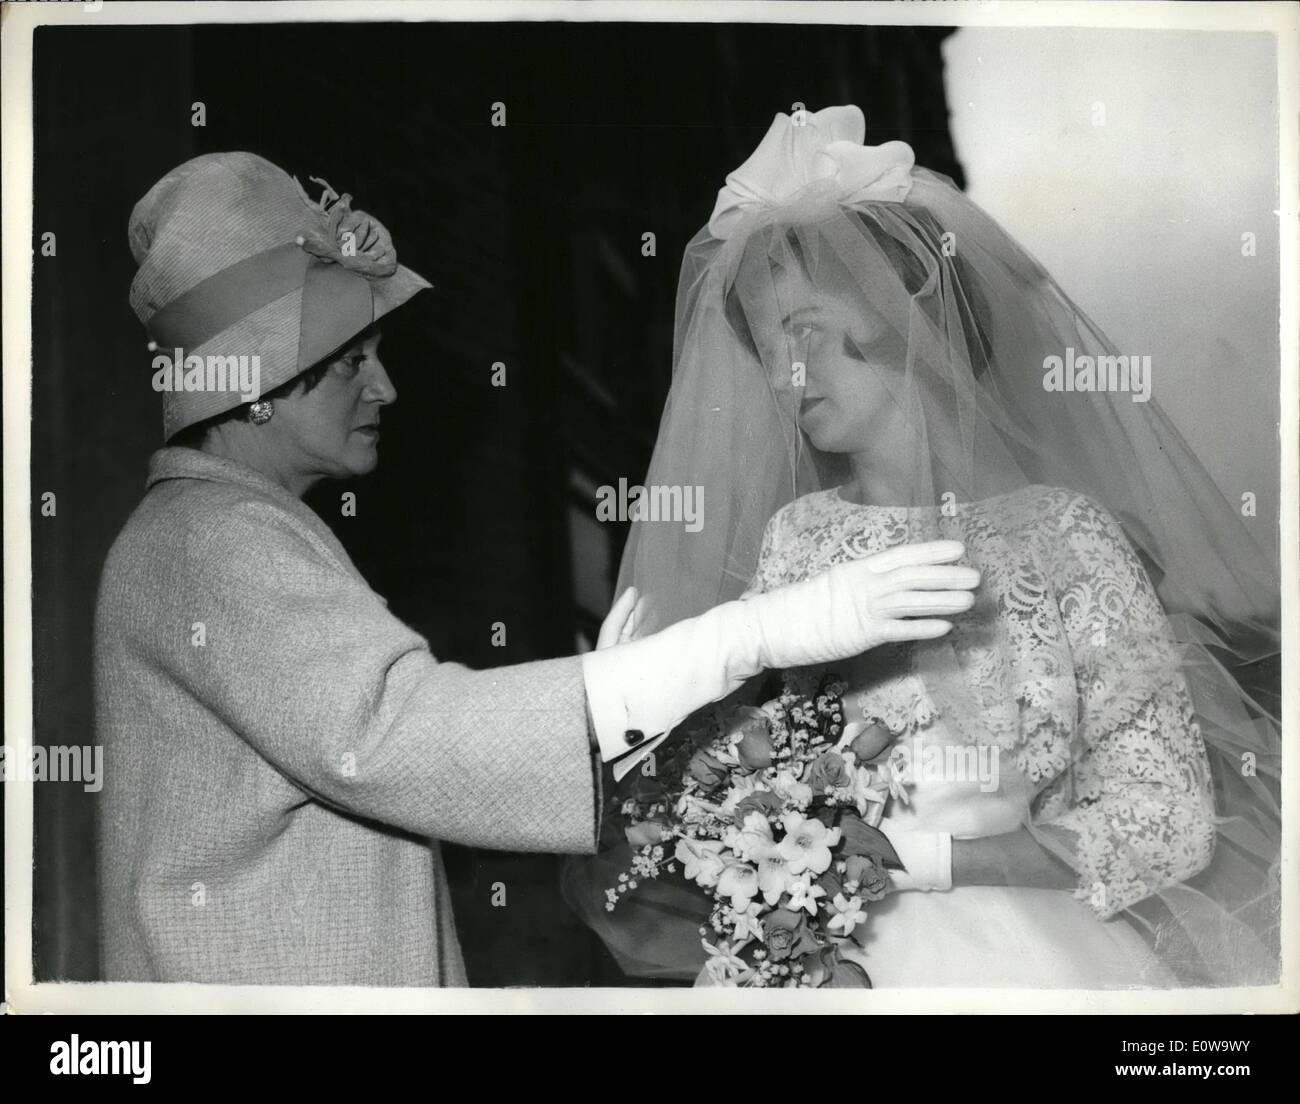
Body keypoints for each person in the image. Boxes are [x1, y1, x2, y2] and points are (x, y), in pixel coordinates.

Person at [94, 151, 980, 985]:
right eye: (350, 364)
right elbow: (401, 733)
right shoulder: (213, 540)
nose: (387, 389)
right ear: (254, 393)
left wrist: (636, 726)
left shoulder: (239, 528)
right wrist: (737, 639)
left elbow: (400, 762)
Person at [566, 106, 1281, 987]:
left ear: (897, 313)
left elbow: (1165, 819)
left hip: (1029, 965)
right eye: (766, 343)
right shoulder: (800, 537)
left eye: (806, 330)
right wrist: (649, 720)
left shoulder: (1061, 536)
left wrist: (925, 858)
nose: (782, 374)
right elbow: (738, 772)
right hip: (820, 956)